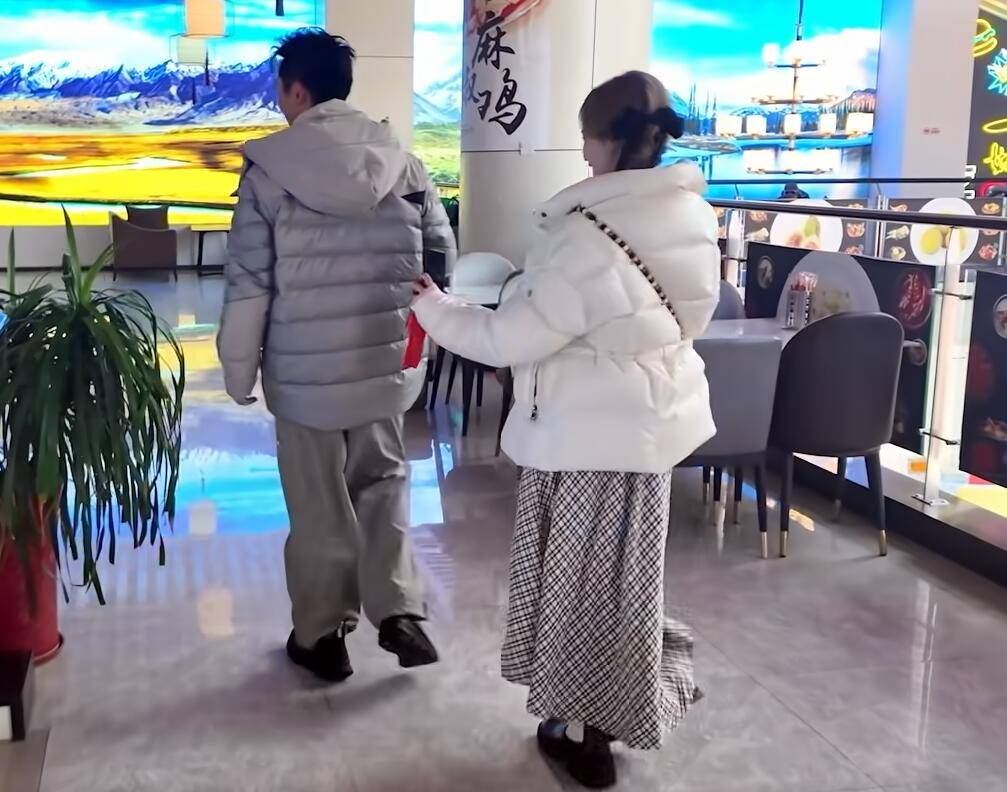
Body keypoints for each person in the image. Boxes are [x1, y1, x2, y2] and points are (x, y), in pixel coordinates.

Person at [410, 71, 720, 789]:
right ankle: (614, 709)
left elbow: (508, 338)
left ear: (608, 140)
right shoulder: (691, 216)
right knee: (625, 587)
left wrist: (435, 309)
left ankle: (588, 737)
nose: (582, 153)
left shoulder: (587, 240)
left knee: (577, 593)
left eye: (586, 137)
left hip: (586, 443)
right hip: (649, 436)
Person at [218, 28, 456, 683]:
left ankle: (322, 637)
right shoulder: (403, 163)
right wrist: (417, 349)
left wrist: (237, 370)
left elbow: (248, 283)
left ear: (297, 90)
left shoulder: (269, 172)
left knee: (318, 502)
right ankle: (399, 609)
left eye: (280, 90)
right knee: (383, 485)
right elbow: (439, 261)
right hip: (382, 368)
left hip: (304, 377)